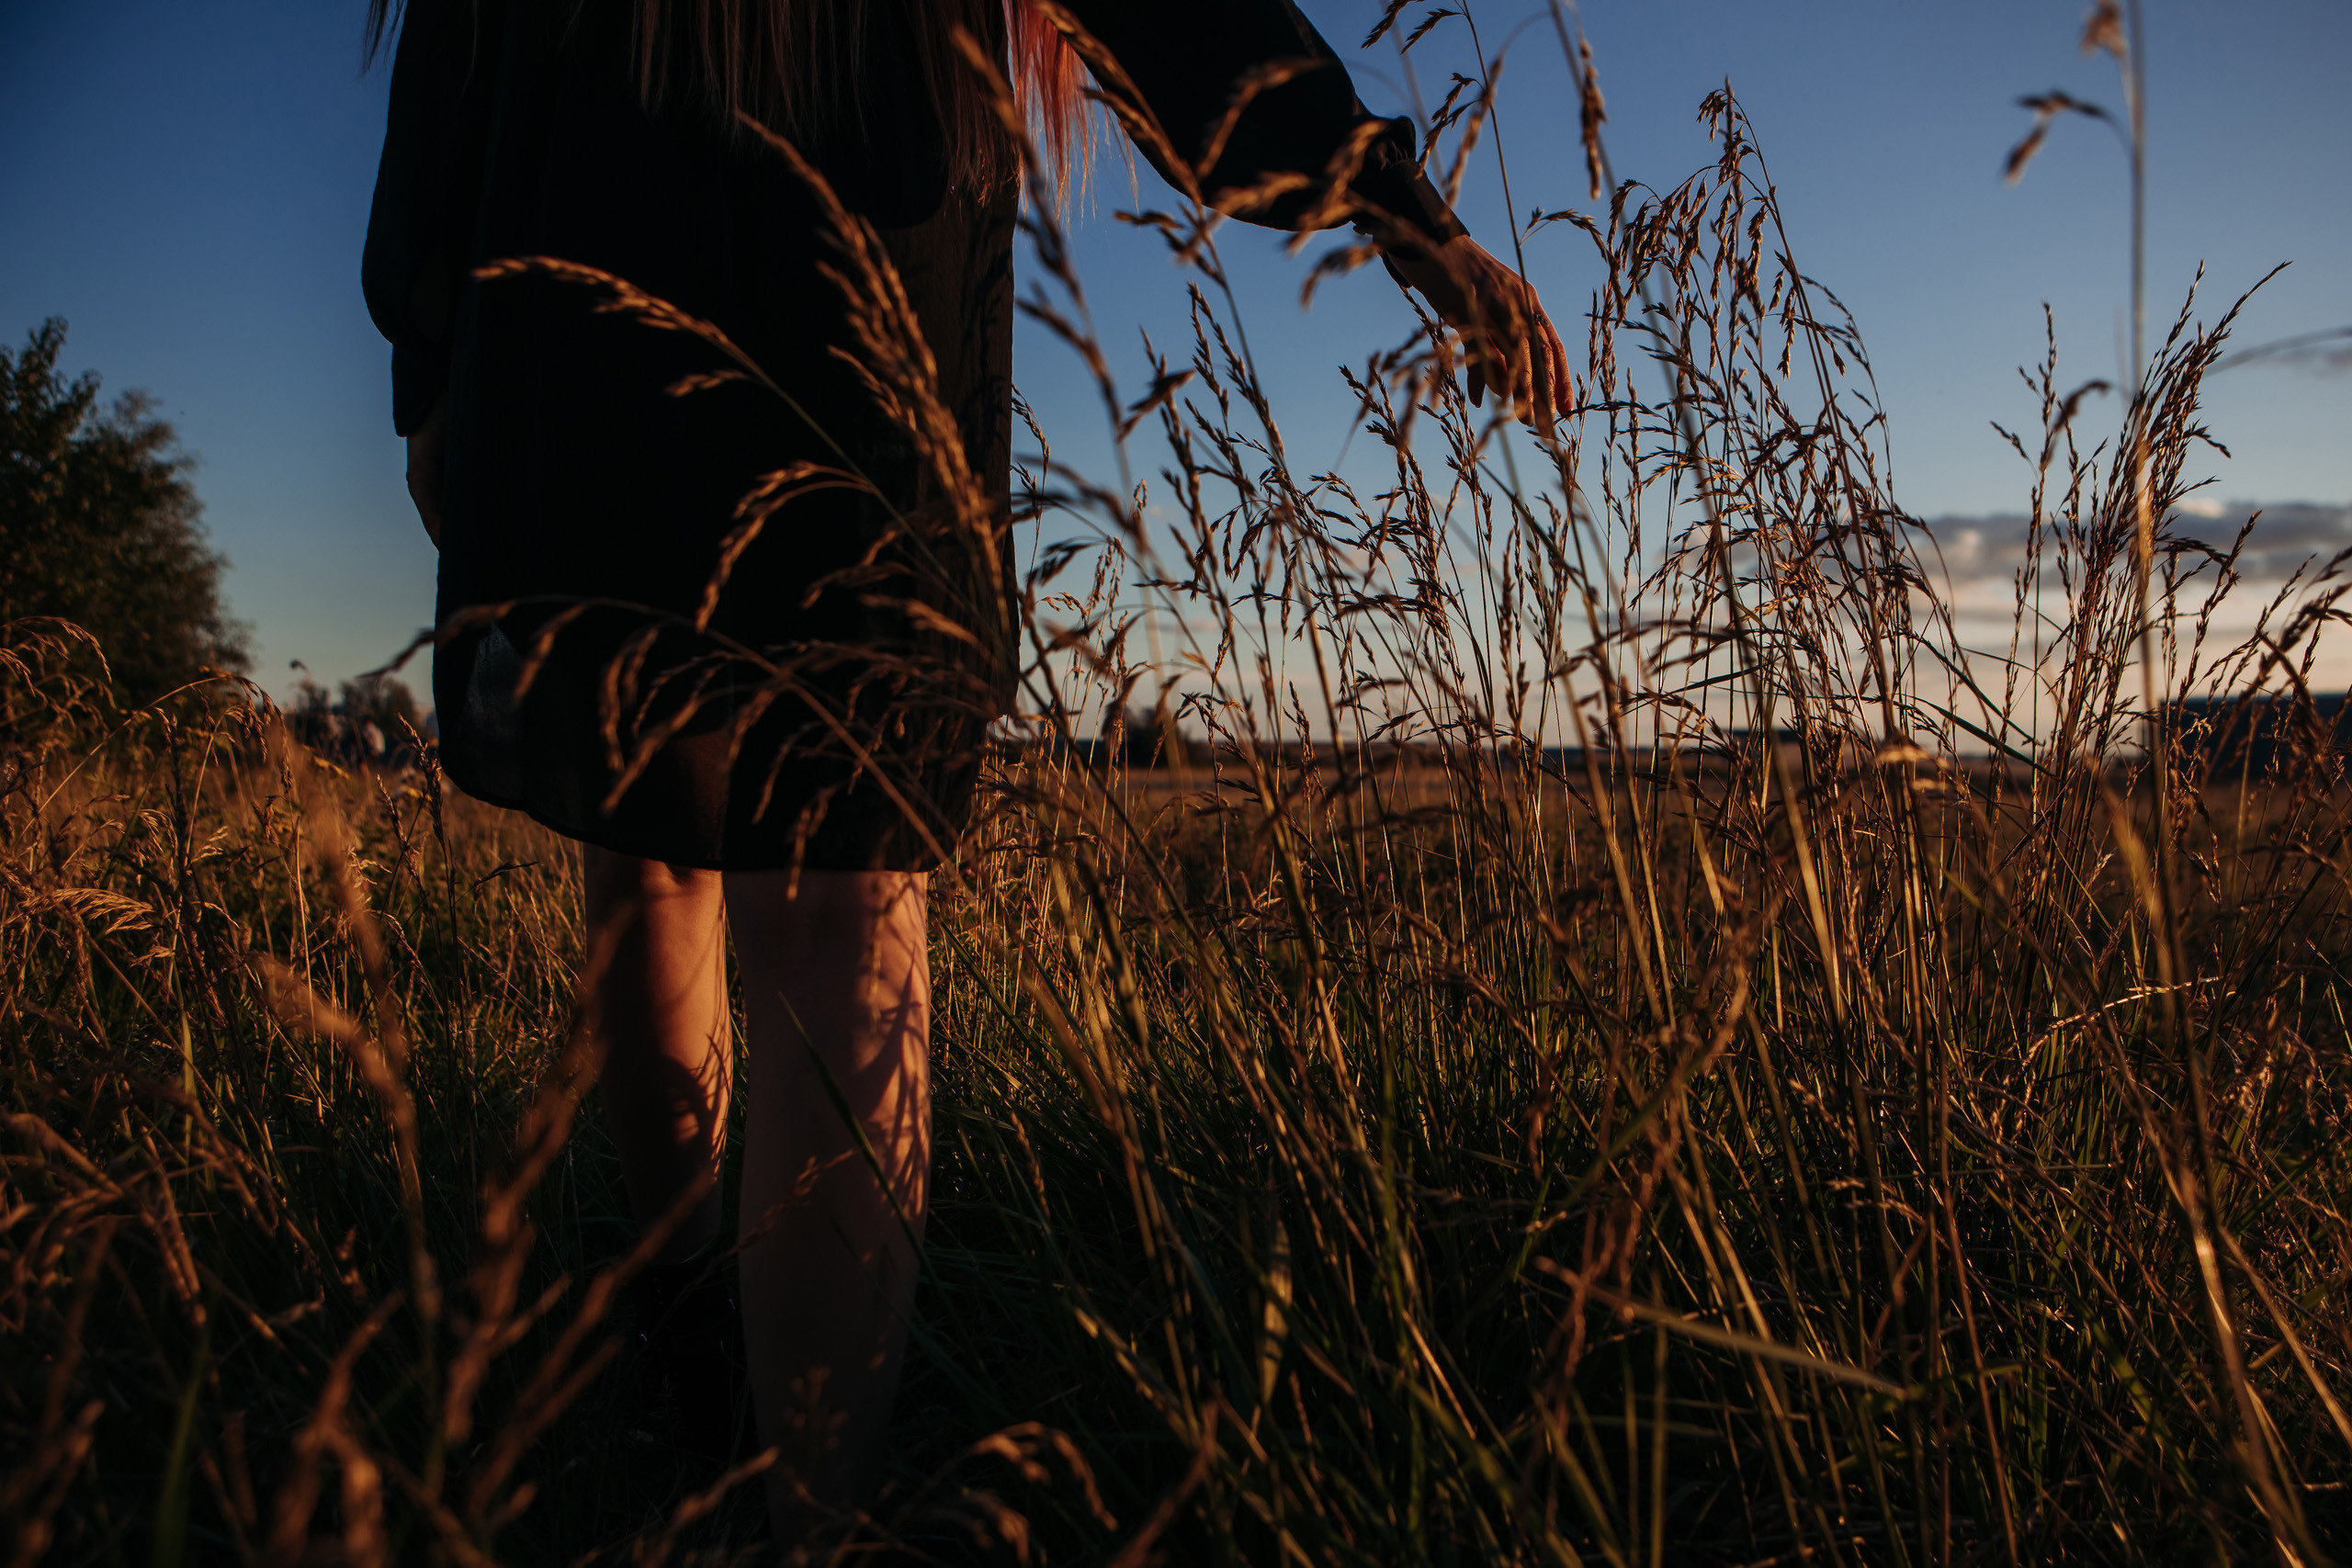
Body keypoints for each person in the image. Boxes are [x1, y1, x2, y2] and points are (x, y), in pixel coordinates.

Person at [364, 0, 1569, 1538]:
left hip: (574, 250)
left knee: (650, 839)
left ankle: (678, 1363)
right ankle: (801, 1515)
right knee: (836, 899)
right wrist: (1409, 220)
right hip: (858, 276)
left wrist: (432, 356)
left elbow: (452, 51)